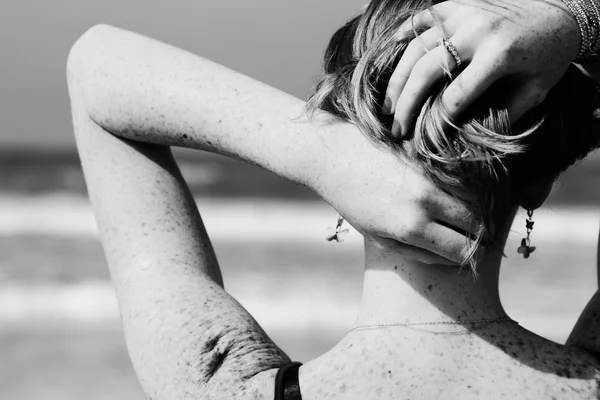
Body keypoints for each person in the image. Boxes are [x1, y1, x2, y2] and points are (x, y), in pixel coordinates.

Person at [65, 2, 600, 400]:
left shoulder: (221, 387)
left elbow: (95, 69)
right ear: (540, 182)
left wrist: (319, 151)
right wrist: (578, 21)